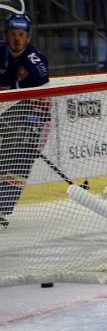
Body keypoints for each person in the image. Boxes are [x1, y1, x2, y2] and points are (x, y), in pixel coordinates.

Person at [0, 13, 50, 229]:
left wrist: (26, 125)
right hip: (7, 114)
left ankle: (1, 208)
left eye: (21, 34)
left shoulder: (35, 64)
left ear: (27, 37)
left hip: (34, 120)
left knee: (16, 162)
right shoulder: (0, 53)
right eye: (13, 34)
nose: (17, 39)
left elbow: (44, 105)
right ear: (6, 35)